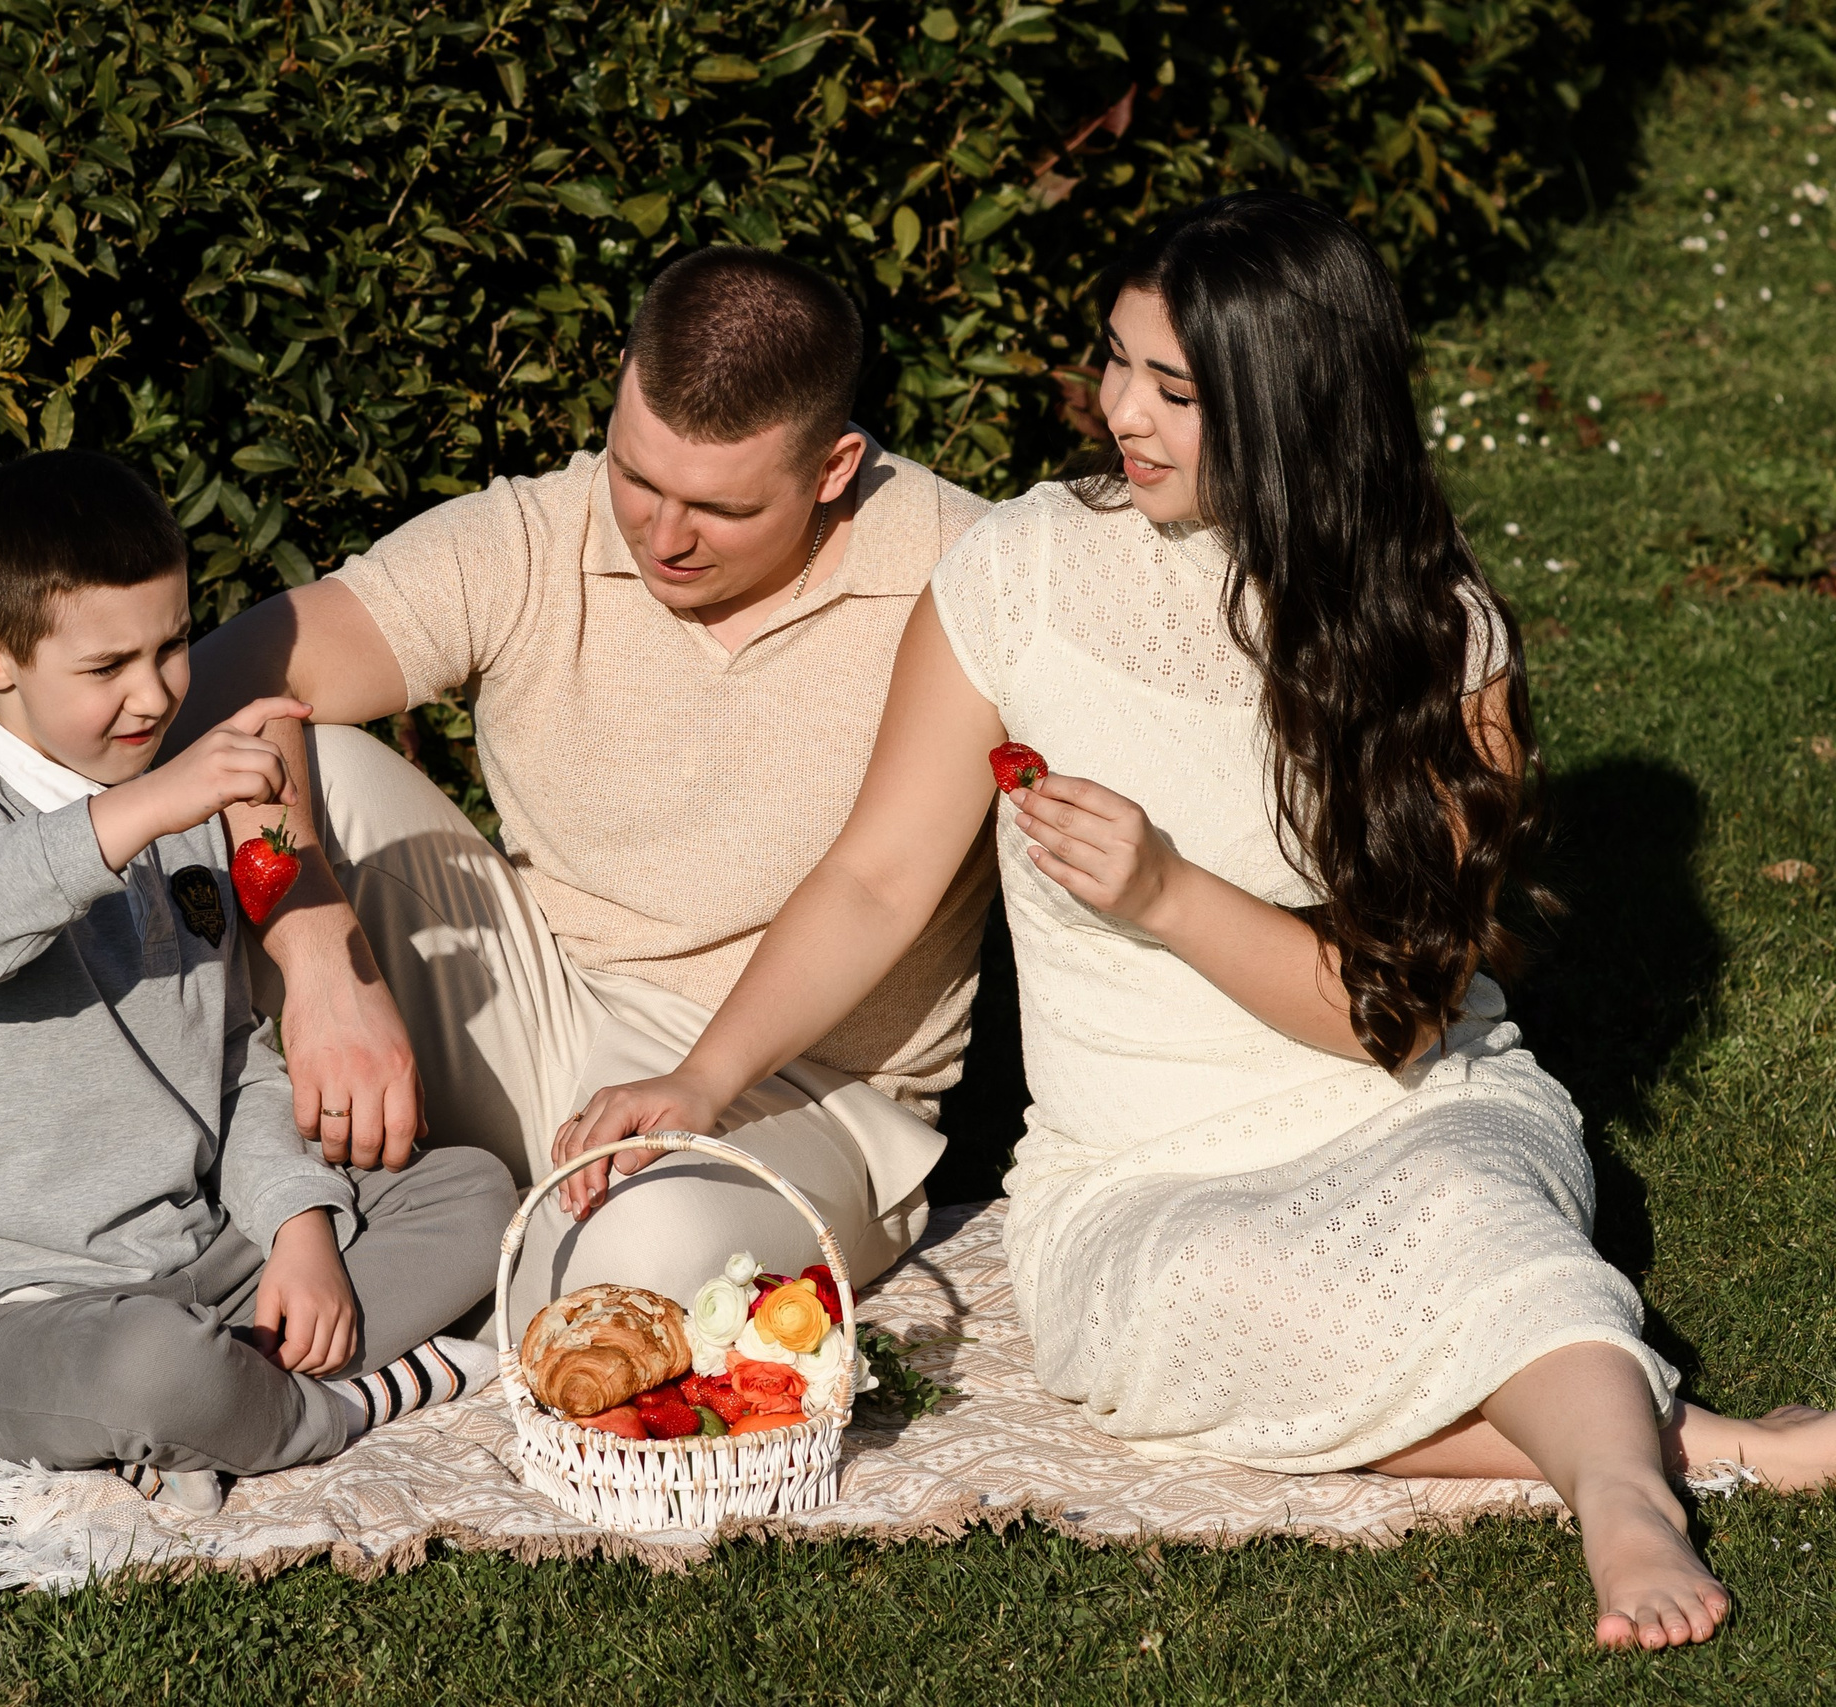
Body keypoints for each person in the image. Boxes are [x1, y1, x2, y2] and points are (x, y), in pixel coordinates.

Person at [562, 192, 1836, 1648]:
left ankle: (1625, 1499)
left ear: (1294, 407)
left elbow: (1396, 1017)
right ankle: (1697, 1441)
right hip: (1137, 1159)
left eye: (1177, 390)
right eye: (1117, 363)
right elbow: (874, 876)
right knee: (1204, 1294)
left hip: (1402, 1098)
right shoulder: (1020, 574)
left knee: (1474, 1219)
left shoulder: (1441, 631)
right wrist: (701, 1079)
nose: (1123, 413)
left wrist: (1166, 891)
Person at [170, 247, 997, 1313]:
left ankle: (417, 1261)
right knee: (297, 760)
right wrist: (322, 960)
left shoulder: (968, 569)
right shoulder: (533, 533)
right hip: (541, 1000)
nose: (662, 536)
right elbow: (212, 695)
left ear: (834, 469)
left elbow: (880, 883)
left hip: (801, 1094)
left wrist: (698, 1082)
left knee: (645, 1264)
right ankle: (387, 1220)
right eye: (636, 476)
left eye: (720, 509)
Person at [0, 450, 515, 1512]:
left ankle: (231, 1388)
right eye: (107, 667)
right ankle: (334, 1408)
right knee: (152, 1364)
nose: (157, 693)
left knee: (476, 1194)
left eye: (172, 647)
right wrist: (149, 811)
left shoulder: (181, 814)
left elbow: (240, 1062)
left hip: (207, 1255)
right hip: (16, 1312)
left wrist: (301, 1234)